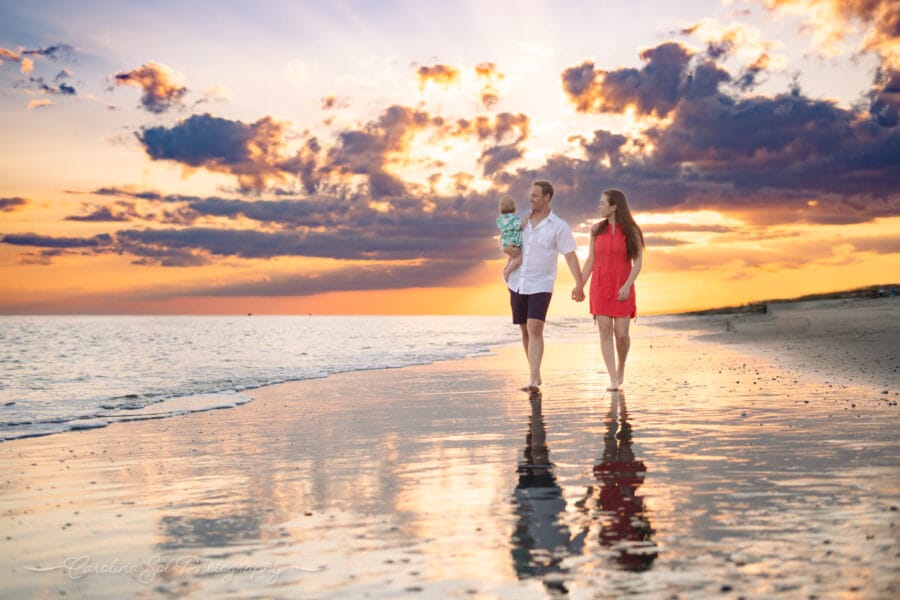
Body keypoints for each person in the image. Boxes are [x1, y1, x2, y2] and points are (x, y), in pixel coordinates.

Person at [506, 180, 584, 392]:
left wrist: (579, 283)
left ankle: (532, 378)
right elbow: (505, 240)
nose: (530, 199)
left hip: (541, 283)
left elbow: (570, 254)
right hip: (517, 281)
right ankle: (535, 372)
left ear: (547, 198)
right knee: (524, 329)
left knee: (534, 327)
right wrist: (507, 250)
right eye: (530, 195)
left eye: (535, 196)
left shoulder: (559, 226)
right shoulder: (521, 220)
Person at [576, 189, 644, 391]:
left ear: (614, 206)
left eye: (602, 203)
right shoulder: (596, 230)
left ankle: (621, 365)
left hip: (622, 288)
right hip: (600, 287)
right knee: (605, 332)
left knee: (621, 335)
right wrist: (580, 284)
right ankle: (613, 379)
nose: (599, 207)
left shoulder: (632, 231)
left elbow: (638, 263)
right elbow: (590, 260)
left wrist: (627, 285)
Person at [496, 195, 523, 281]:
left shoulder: (500, 219)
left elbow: (501, 227)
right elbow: (520, 226)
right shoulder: (514, 219)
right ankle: (507, 271)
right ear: (513, 206)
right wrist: (525, 220)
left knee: (511, 257)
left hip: (504, 244)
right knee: (518, 259)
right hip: (513, 243)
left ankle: (507, 268)